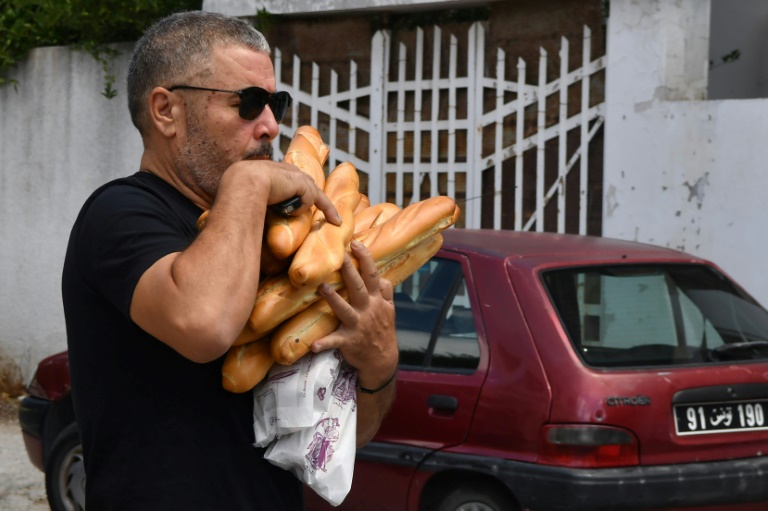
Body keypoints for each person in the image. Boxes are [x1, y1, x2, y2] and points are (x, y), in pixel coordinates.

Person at [61, 10, 398, 511]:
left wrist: (378, 367)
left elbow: (348, 437)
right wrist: (249, 181)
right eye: (250, 103)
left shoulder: (277, 238)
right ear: (166, 111)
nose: (271, 125)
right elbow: (205, 323)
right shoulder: (119, 214)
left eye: (276, 103)